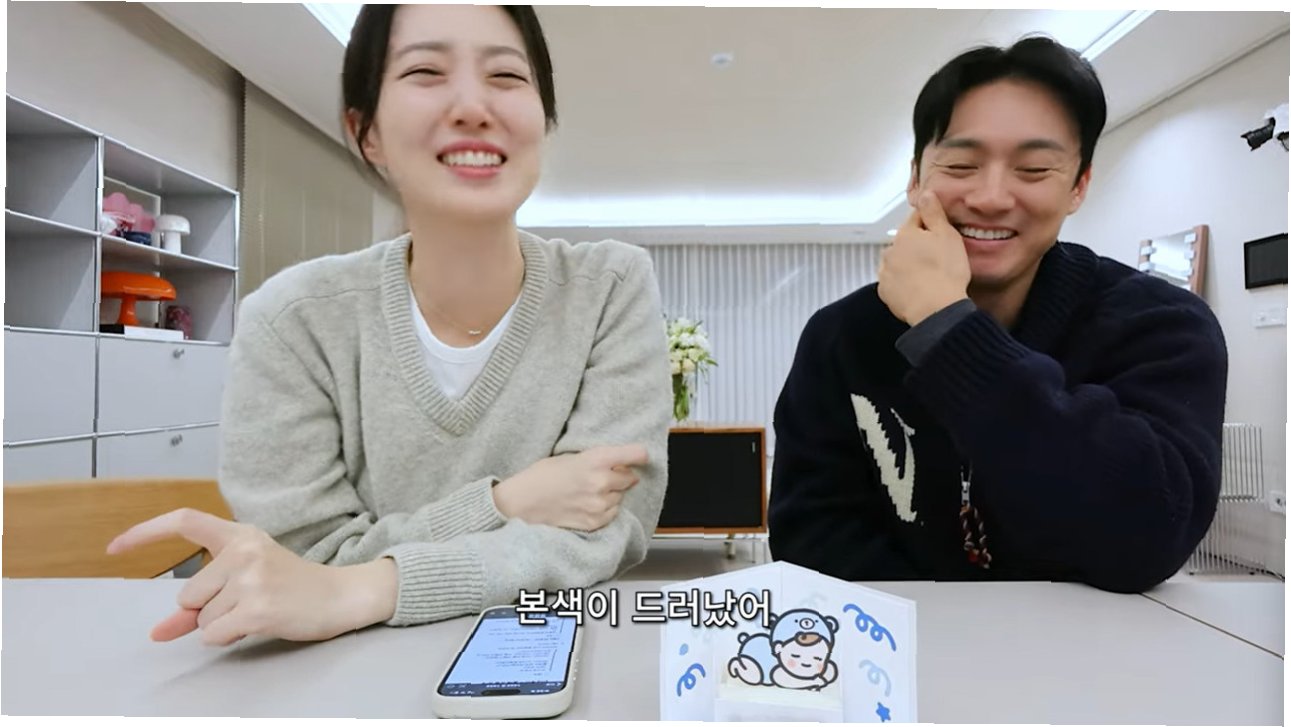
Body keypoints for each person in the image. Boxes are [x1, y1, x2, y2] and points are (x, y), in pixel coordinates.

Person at [107, 4, 672, 646]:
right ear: (365, 131)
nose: (473, 106)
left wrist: (363, 586)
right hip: (335, 675)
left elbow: (603, 535)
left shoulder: (610, 288)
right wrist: (505, 503)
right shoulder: (291, 322)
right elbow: (305, 559)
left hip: (549, 658)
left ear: (543, 119)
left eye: (507, 77)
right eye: (426, 72)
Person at [767, 36, 1228, 594]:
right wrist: (954, 624)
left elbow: (1150, 535)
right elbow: (810, 540)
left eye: (1033, 169)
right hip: (906, 641)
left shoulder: (1160, 324)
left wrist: (946, 328)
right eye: (961, 164)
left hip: (1095, 646)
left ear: (1078, 186)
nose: (990, 197)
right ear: (915, 179)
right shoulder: (841, 336)